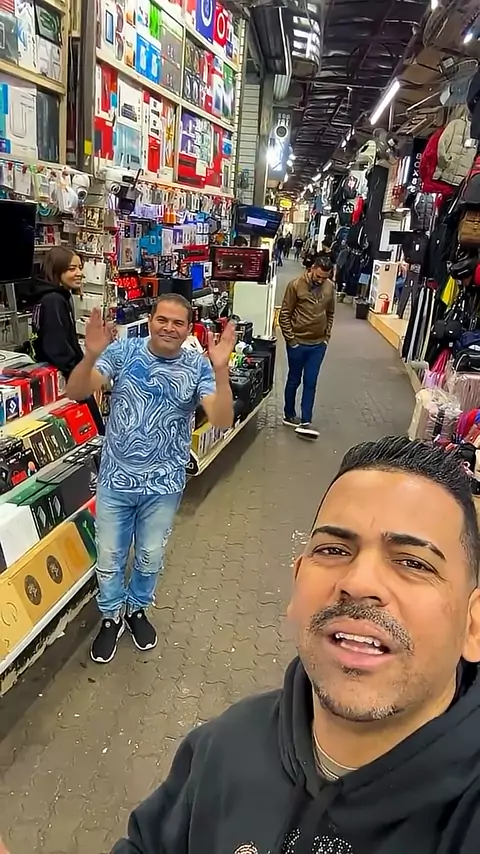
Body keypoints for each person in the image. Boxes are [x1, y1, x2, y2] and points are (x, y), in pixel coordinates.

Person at [112, 436, 480, 854]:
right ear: (296, 581)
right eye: (333, 549)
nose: (358, 582)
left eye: (413, 562)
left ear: (473, 626)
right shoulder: (223, 748)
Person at [66, 296, 235, 664]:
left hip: (163, 485)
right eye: (162, 319)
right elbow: (75, 392)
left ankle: (137, 608)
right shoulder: (124, 351)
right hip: (115, 480)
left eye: (178, 323)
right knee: (109, 557)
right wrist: (91, 356)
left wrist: (220, 370)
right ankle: (111, 615)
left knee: (149, 555)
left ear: (188, 329)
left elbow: (222, 419)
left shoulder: (197, 366)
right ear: (150, 320)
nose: (169, 328)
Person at [30, 246, 105, 434]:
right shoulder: (53, 300)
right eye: (72, 269)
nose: (79, 273)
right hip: (65, 380)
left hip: (64, 377)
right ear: (57, 270)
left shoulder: (57, 297)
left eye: (80, 267)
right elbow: (57, 347)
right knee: (94, 431)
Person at [279, 254, 335, 439]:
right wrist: (291, 341)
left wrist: (326, 337)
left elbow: (330, 313)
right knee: (294, 380)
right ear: (312, 269)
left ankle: (306, 421)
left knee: (311, 381)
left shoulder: (330, 287)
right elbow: (284, 314)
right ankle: (289, 414)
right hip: (298, 343)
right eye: (318, 276)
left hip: (318, 345)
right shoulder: (295, 285)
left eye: (325, 277)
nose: (320, 280)